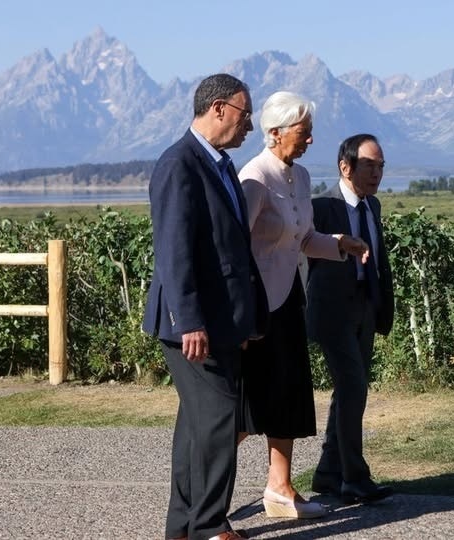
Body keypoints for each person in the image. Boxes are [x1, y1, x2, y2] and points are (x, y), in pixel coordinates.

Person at [142, 73, 267, 540]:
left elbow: (231, 250)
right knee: (218, 421)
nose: (249, 125)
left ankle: (183, 526)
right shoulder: (179, 164)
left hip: (222, 322)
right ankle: (210, 526)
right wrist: (190, 321)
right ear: (218, 108)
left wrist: (246, 318)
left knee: (198, 427)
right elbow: (174, 251)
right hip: (193, 326)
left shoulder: (221, 165)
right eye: (245, 114)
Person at [237, 91, 370, 519]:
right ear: (275, 132)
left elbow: (303, 238)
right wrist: (239, 314)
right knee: (247, 405)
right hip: (258, 306)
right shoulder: (254, 178)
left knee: (288, 395)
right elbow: (236, 248)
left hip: (290, 298)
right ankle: (205, 492)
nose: (310, 140)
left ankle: (280, 489)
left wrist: (339, 244)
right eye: (303, 132)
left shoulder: (301, 176)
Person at [306, 133, 395, 504]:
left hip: (365, 308)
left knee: (348, 389)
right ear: (346, 167)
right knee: (354, 387)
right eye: (369, 165)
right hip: (332, 313)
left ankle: (328, 474)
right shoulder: (322, 207)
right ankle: (354, 478)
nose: (376, 173)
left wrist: (380, 306)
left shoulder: (372, 205)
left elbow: (379, 259)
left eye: (381, 166)